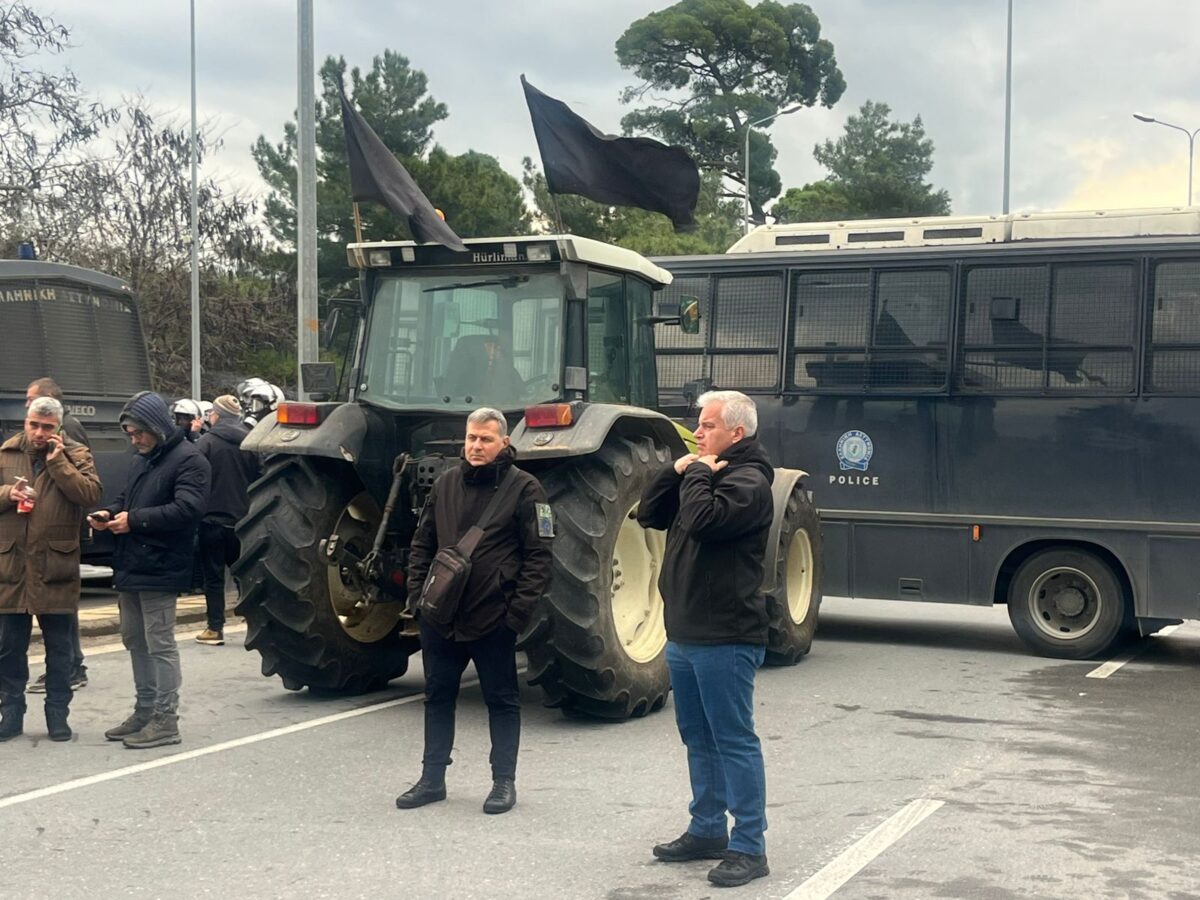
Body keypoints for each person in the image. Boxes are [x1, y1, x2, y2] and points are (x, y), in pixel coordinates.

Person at [637, 390, 775, 889]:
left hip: (726, 635)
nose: (698, 433)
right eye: (698, 424)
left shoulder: (749, 480)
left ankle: (749, 846)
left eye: (708, 425)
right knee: (698, 738)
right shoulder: (704, 472)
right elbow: (649, 514)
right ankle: (707, 829)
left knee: (733, 740)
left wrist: (697, 473)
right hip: (686, 632)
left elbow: (702, 521)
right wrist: (675, 471)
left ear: (736, 433)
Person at [397, 407, 552, 815]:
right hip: (440, 617)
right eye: (471, 438)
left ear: (504, 442)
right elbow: (422, 544)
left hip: (493, 619)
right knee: (437, 697)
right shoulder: (446, 483)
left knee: (502, 700)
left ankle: (503, 782)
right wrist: (418, 600)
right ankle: (432, 779)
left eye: (485, 439)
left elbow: (539, 557)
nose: (476, 446)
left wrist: (515, 616)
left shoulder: (526, 489)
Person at [91, 391, 210, 749]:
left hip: (161, 564)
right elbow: (126, 499)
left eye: (138, 432)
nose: (134, 439)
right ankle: (144, 709)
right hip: (132, 563)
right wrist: (109, 514)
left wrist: (134, 521)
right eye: (129, 433)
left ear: (156, 427)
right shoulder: (142, 458)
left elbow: (188, 509)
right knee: (134, 639)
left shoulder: (190, 459)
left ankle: (165, 718)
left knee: (159, 643)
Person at [0, 396, 102, 742]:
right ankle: (11, 715)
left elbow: (90, 494)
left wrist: (59, 464)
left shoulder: (77, 454)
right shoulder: (7, 452)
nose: (39, 433)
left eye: (47, 427)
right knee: (9, 649)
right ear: (25, 422)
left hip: (54, 567)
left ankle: (57, 716)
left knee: (59, 651)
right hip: (11, 568)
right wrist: (6, 494)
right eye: (33, 425)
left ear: (58, 427)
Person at [23, 377, 90, 692]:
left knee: (62, 607)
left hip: (61, 538)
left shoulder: (68, 431)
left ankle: (73, 668)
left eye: (31, 398)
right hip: (40, 539)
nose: (26, 405)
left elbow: (83, 487)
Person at [194, 395, 259, 646]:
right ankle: (255, 622)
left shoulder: (205, 443)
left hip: (211, 521)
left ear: (217, 416)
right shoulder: (251, 442)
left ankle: (215, 628)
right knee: (246, 575)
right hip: (244, 521)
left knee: (213, 578)